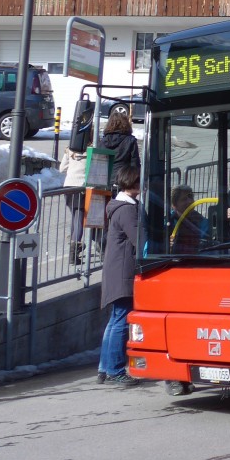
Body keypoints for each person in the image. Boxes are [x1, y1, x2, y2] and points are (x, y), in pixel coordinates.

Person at [98, 165, 141, 387]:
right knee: (121, 321)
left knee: (115, 319)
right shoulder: (127, 210)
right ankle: (115, 370)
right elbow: (138, 240)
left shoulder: (120, 206)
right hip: (123, 272)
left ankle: (105, 368)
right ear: (134, 183)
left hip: (115, 270)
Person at [60, 125, 91, 265]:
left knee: (75, 216)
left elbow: (62, 168)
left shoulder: (70, 150)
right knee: (79, 218)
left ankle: (75, 244)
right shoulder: (91, 150)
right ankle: (75, 249)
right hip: (82, 187)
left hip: (68, 186)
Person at [100, 110, 140, 175]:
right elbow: (135, 164)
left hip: (105, 178)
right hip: (123, 179)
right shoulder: (131, 140)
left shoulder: (103, 141)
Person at [169, 185, 206, 254]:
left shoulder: (199, 218)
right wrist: (167, 245)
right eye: (184, 199)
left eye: (190, 197)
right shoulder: (168, 222)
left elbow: (209, 234)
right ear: (174, 205)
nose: (190, 201)